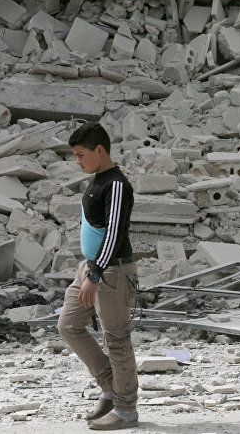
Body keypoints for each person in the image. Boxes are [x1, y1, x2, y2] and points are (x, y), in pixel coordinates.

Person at [57, 122, 139, 430]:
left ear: (100, 150)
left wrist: (95, 275)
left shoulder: (116, 184)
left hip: (111, 271)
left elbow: (115, 233)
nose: (77, 161)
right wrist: (89, 272)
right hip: (91, 268)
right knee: (68, 325)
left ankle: (126, 410)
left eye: (81, 155)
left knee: (116, 340)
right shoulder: (98, 180)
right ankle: (110, 388)